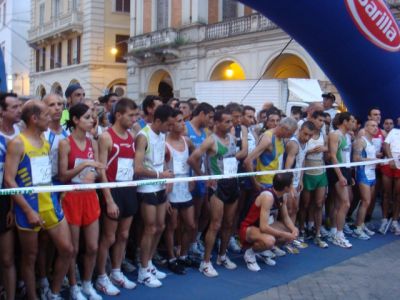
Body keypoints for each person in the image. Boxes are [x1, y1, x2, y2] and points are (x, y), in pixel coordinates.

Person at [4, 100, 73, 300]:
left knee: (67, 250)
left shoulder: (44, 139)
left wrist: (56, 197)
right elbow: (9, 180)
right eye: (45, 114)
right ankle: (33, 296)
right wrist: (27, 210)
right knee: (30, 257)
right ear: (34, 119)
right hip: (29, 208)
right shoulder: (17, 143)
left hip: (50, 203)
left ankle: (54, 293)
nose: (51, 116)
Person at [58, 103, 104, 300]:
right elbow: (62, 176)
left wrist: (93, 174)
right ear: (75, 120)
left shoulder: (93, 142)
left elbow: (98, 169)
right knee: (74, 249)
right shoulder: (65, 143)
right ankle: (74, 286)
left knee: (93, 246)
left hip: (90, 196)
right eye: (86, 117)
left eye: (92, 117)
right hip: (72, 198)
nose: (92, 120)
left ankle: (87, 284)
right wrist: (85, 164)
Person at [188, 109, 239, 278]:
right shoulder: (210, 141)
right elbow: (193, 159)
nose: (230, 124)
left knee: (229, 223)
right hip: (217, 187)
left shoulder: (232, 138)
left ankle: (222, 256)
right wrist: (203, 176)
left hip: (232, 182)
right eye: (226, 121)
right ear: (216, 123)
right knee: (215, 224)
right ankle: (206, 262)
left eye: (231, 121)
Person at [96, 98, 139, 295]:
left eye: (135, 115)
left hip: (128, 189)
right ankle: (101, 277)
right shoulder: (106, 137)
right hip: (113, 190)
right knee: (108, 237)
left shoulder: (131, 135)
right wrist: (109, 199)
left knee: (123, 235)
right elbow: (101, 170)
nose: (134, 119)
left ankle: (116, 271)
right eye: (130, 115)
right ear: (119, 115)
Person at [135, 104, 175, 287]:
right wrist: (161, 175)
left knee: (160, 226)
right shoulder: (143, 136)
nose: (170, 128)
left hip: (160, 186)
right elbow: (138, 168)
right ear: (158, 121)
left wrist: (166, 175)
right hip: (146, 188)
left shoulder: (162, 134)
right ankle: (142, 270)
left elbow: (161, 161)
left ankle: (149, 263)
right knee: (150, 227)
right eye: (168, 124)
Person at [240, 173, 297, 272]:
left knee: (289, 231)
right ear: (286, 187)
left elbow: (286, 217)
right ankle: (250, 253)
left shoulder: (283, 196)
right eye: (291, 184)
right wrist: (286, 234)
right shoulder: (268, 197)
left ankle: (263, 251)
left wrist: (293, 230)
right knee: (270, 241)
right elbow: (264, 227)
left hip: (262, 227)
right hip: (248, 228)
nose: (293, 186)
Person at [164, 109, 196, 274]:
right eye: (179, 121)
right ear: (170, 125)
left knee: (190, 225)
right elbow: (161, 167)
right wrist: (165, 195)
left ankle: (183, 255)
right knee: (172, 226)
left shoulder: (187, 141)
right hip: (171, 188)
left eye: (183, 120)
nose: (183, 124)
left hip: (185, 186)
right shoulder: (164, 143)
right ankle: (171, 258)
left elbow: (195, 158)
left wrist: (194, 176)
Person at [185, 102, 215, 258]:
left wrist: (208, 175)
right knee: (192, 215)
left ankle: (194, 240)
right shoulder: (185, 128)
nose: (211, 121)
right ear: (201, 113)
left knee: (205, 213)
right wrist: (200, 175)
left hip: (202, 177)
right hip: (189, 177)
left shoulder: (206, 132)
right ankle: (188, 245)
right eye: (209, 117)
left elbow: (208, 156)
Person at [298, 110, 329, 248]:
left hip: (320, 171)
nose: (321, 123)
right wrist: (311, 151)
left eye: (323, 121)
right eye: (320, 120)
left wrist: (324, 148)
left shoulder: (323, 134)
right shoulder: (305, 134)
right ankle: (302, 229)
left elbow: (327, 148)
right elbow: (300, 151)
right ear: (313, 119)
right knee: (305, 204)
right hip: (307, 172)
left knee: (318, 204)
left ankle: (317, 233)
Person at [244, 117, 298, 192]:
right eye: (290, 133)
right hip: (265, 183)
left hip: (276, 181)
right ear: (284, 128)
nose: (291, 136)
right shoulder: (267, 139)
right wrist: (255, 183)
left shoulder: (282, 138)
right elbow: (247, 161)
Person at [0, 93, 19, 300]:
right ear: (2, 111)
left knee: (8, 258)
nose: (18, 110)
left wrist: (13, 208)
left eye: (19, 106)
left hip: (9, 199)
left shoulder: (21, 133)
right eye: (13, 107)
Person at [327, 112, 355, 248]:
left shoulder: (347, 136)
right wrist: (340, 175)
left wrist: (349, 174)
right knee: (346, 203)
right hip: (337, 170)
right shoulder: (335, 134)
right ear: (345, 121)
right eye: (352, 121)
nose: (354, 124)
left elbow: (346, 156)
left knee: (339, 204)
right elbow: (333, 156)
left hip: (345, 169)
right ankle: (339, 234)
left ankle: (334, 231)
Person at [352, 120, 379, 240]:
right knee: (365, 201)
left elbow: (370, 156)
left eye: (376, 126)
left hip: (372, 174)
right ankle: (357, 228)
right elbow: (356, 158)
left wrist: (378, 157)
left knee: (369, 201)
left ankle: (361, 224)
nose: (375, 128)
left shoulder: (371, 142)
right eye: (372, 126)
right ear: (366, 127)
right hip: (363, 174)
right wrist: (371, 160)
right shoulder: (361, 141)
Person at [381, 126, 400, 235]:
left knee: (398, 195)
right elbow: (386, 144)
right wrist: (391, 158)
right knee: (386, 194)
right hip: (389, 163)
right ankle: (384, 220)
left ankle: (394, 221)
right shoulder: (394, 131)